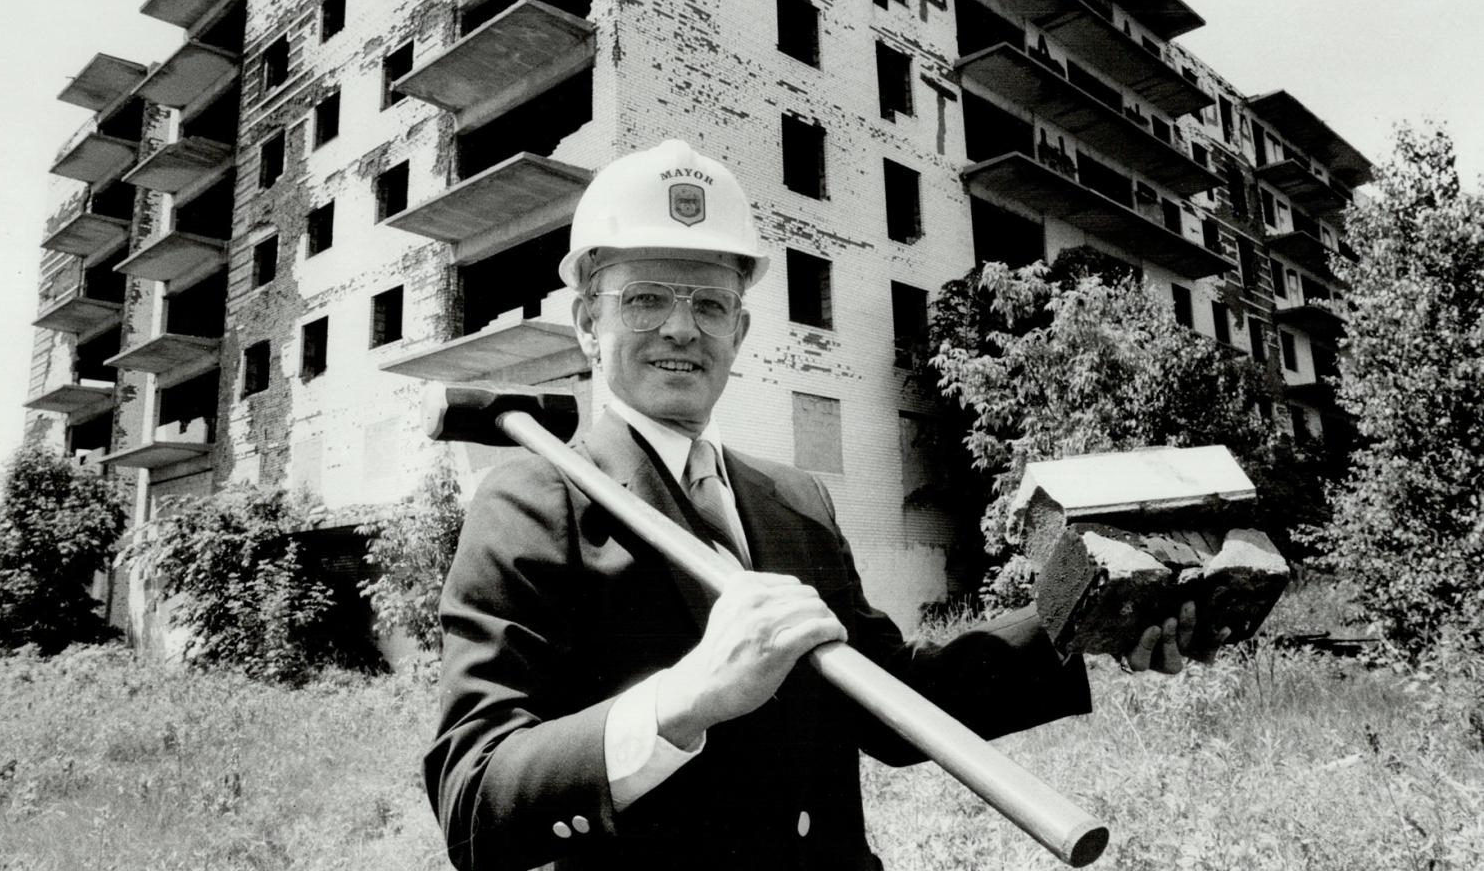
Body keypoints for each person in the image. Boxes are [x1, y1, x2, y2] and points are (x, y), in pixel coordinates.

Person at [426, 140, 1216, 871]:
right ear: (588, 322)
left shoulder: (793, 499)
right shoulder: (529, 502)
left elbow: (890, 704)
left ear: (738, 329)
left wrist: (1081, 616)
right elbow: (473, 796)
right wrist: (681, 700)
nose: (680, 326)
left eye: (708, 304)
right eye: (645, 298)